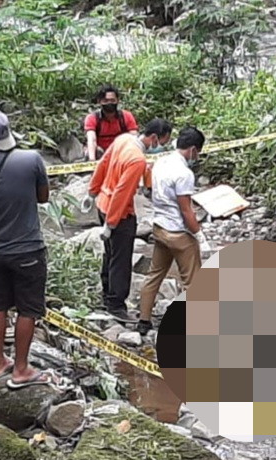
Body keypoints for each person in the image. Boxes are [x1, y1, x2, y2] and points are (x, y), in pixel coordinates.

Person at [0, 107, 60, 389]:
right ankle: (21, 369)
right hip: (28, 249)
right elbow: (43, 197)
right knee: (28, 309)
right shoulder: (31, 159)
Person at [88, 119, 173, 324]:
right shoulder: (137, 160)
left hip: (103, 203)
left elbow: (104, 164)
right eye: (163, 141)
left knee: (110, 255)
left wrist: (92, 191)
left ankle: (106, 297)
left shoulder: (123, 139)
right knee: (121, 260)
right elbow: (122, 193)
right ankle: (116, 305)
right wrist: (112, 223)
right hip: (119, 214)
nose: (163, 146)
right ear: (154, 138)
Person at [137, 127, 211, 335]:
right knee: (193, 282)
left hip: (160, 228)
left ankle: (143, 320)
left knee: (154, 274)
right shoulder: (184, 174)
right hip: (179, 234)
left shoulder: (161, 162)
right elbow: (186, 211)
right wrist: (199, 235)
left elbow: (149, 190)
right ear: (194, 150)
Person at [84, 84, 139, 161]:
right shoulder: (92, 118)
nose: (109, 103)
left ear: (118, 100)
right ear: (99, 101)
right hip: (101, 153)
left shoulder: (126, 116)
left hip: (121, 152)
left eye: (112, 100)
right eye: (105, 101)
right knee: (93, 151)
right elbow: (91, 140)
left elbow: (134, 138)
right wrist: (92, 160)